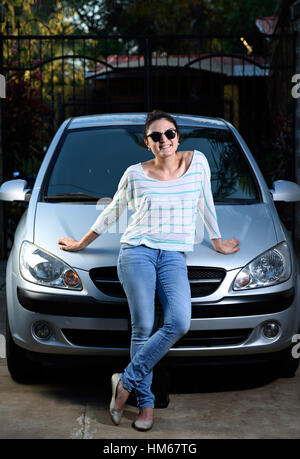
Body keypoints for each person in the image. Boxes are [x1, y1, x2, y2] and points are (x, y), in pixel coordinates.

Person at [58, 110, 240, 431]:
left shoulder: (197, 162)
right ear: (147, 143)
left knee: (179, 322)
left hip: (172, 256)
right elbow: (113, 210)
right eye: (156, 137)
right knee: (142, 327)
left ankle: (124, 382)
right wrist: (81, 243)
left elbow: (205, 203)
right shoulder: (135, 173)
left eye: (169, 134)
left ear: (178, 136)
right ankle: (146, 406)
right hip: (136, 251)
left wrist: (219, 242)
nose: (164, 141)